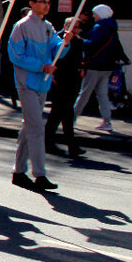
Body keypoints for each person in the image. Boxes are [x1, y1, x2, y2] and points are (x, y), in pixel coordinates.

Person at [8, 0, 74, 193]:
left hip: (42, 84)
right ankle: (40, 174)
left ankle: (19, 172)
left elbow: (57, 51)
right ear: (32, 3)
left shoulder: (47, 27)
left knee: (29, 127)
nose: (46, 5)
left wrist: (66, 42)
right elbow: (15, 55)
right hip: (27, 83)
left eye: (48, 1)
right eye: (42, 1)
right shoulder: (21, 26)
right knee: (36, 128)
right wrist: (41, 66)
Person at [73, 4, 124, 133]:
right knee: (103, 95)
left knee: (84, 94)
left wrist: (79, 40)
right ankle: (107, 122)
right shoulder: (113, 28)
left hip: (94, 65)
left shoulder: (98, 28)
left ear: (100, 14)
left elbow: (92, 45)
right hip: (107, 67)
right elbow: (117, 46)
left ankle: (71, 119)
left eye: (95, 13)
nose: (93, 16)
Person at [45, 17, 85, 158]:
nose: (74, 29)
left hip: (72, 80)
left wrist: (81, 68)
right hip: (59, 79)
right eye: (72, 26)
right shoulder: (58, 40)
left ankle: (47, 141)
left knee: (58, 113)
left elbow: (80, 60)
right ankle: (71, 145)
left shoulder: (79, 42)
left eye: (77, 27)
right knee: (65, 113)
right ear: (65, 26)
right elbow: (51, 57)